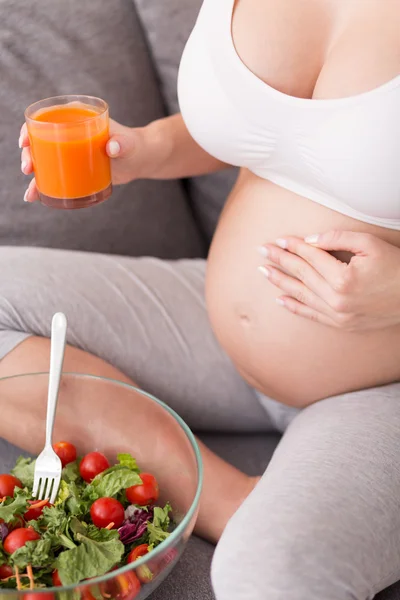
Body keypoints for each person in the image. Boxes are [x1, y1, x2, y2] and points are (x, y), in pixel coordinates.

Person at [2, 0, 400, 597]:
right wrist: (143, 150)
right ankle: (230, 502)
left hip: (379, 380)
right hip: (212, 328)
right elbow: (270, 127)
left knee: (268, 580)